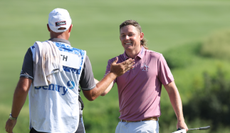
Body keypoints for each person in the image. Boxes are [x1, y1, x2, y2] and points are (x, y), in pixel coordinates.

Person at [5, 8, 134, 133]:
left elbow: (23, 88)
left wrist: (13, 118)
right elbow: (92, 94)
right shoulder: (80, 57)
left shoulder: (35, 51)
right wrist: (113, 74)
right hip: (72, 125)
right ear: (70, 27)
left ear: (48, 27)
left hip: (41, 125)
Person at [102, 20, 188, 133]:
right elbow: (104, 90)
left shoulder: (156, 58)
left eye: (130, 34)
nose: (126, 38)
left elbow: (172, 90)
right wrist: (85, 76)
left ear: (140, 36)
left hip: (146, 125)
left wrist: (180, 120)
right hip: (122, 126)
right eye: (123, 35)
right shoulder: (115, 62)